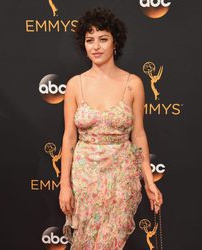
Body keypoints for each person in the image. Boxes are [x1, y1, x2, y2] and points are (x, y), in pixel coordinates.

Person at [59, 7, 163, 249]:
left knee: (112, 242)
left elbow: (138, 136)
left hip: (121, 176)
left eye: (103, 39)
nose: (95, 46)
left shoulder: (133, 84)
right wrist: (65, 184)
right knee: (85, 241)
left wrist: (149, 181)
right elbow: (68, 138)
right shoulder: (75, 85)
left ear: (115, 43)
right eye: (89, 40)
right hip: (85, 178)